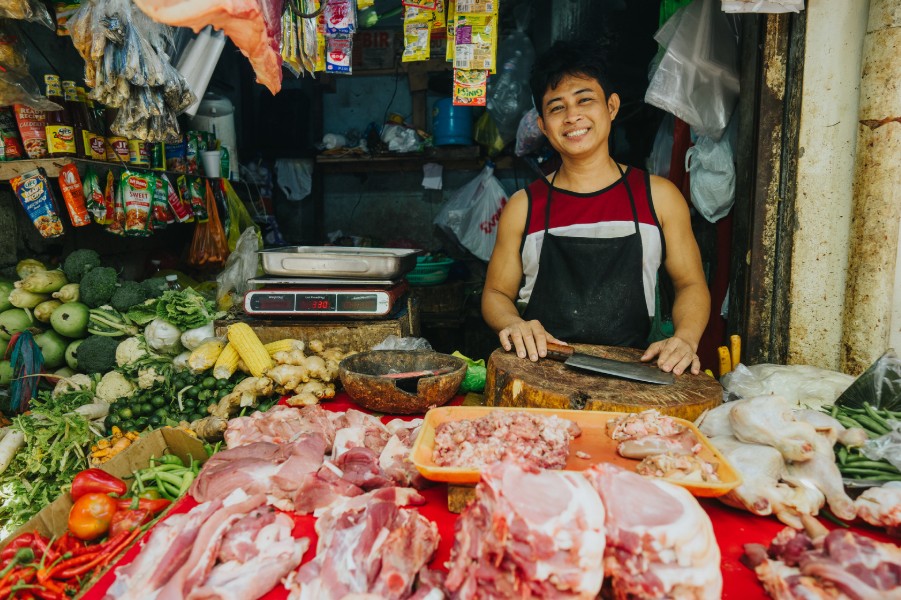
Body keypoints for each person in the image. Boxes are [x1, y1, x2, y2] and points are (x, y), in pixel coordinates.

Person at [481, 40, 710, 376]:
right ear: (543, 125)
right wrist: (514, 323)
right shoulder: (523, 206)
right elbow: (496, 292)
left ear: (612, 106)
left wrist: (685, 339)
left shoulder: (658, 197)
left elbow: (690, 283)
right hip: (540, 374)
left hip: (636, 375)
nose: (573, 116)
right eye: (557, 107)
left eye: (584, 100)